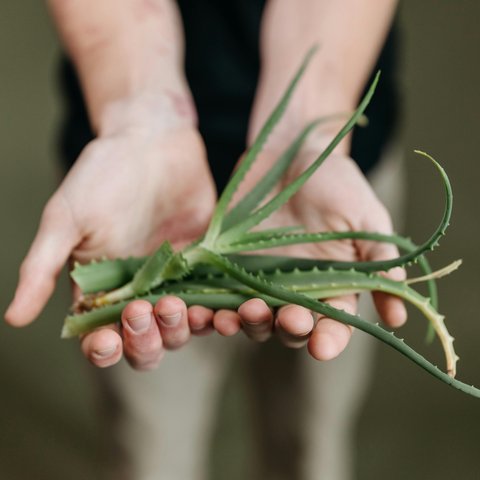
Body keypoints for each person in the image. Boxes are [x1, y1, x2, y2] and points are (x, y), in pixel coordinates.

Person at [5, 1, 406, 478]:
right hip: (133, 193)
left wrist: (310, 126)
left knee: (308, 443)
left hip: (322, 187)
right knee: (148, 448)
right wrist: (137, 111)